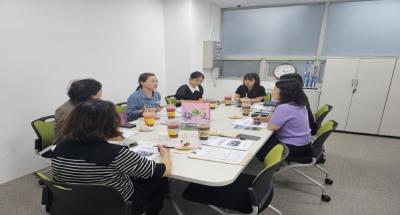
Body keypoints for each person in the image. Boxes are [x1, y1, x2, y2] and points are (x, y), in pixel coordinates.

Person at [52, 100, 172, 215]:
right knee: (159, 180)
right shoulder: (115, 153)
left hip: (73, 203)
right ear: (110, 123)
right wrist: (165, 153)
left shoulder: (60, 147)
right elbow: (165, 170)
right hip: (116, 206)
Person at [255, 79, 312, 162]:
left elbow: (272, 127)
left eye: (275, 89)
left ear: (285, 92)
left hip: (292, 148)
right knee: (266, 139)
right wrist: (264, 119)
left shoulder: (284, 107)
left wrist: (271, 119)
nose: (272, 91)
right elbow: (284, 119)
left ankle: (272, 164)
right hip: (304, 145)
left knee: (258, 144)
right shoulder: (299, 104)